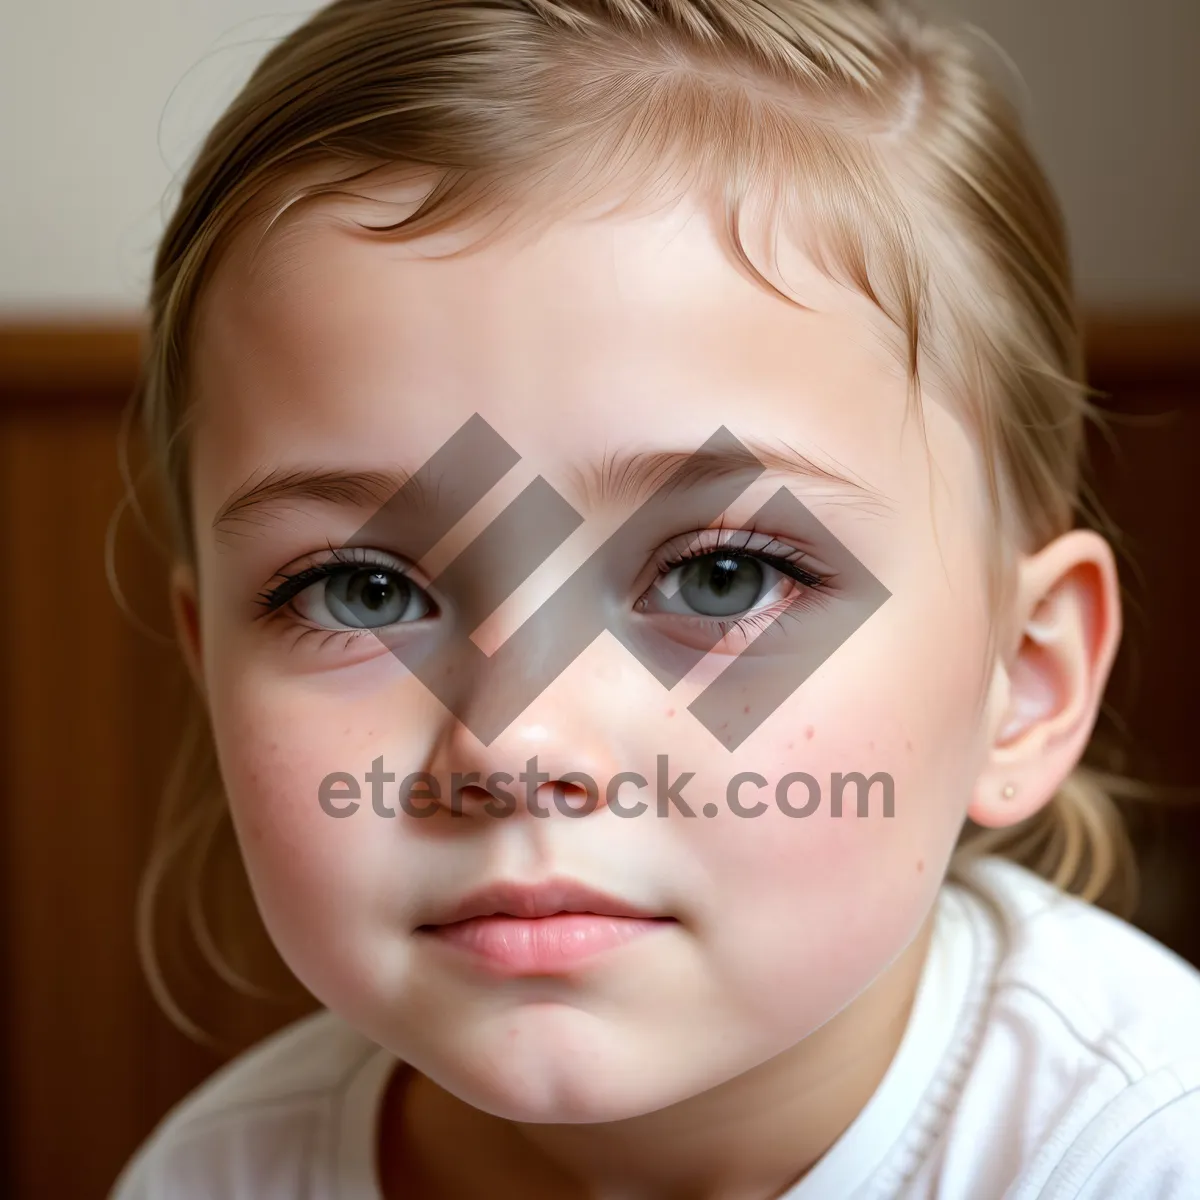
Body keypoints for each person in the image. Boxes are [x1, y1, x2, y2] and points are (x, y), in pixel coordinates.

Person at [110, 1, 1200, 1196]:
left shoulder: (1146, 1154)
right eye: (364, 591)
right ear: (207, 662)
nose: (514, 745)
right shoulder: (215, 1175)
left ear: (1025, 679)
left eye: (719, 577)